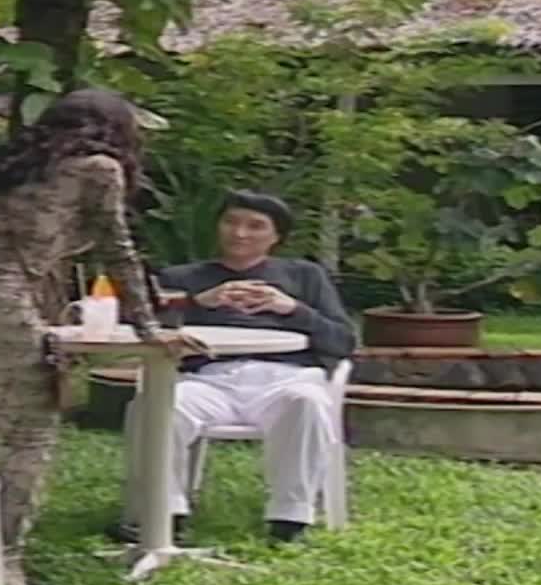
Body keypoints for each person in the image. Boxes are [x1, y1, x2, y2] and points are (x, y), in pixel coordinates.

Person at [0, 89, 207, 585]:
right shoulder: (97, 168)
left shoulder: (17, 168)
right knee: (30, 436)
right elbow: (118, 250)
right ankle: (0, 570)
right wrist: (147, 328)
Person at [109, 190, 358, 544]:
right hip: (208, 377)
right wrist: (198, 303)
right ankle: (163, 512)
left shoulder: (305, 275)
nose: (240, 233)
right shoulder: (185, 277)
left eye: (255, 226)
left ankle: (290, 517)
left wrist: (292, 309)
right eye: (231, 222)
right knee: (156, 407)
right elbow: (144, 328)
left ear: (276, 237)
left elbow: (343, 341)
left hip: (285, 376)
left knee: (307, 403)